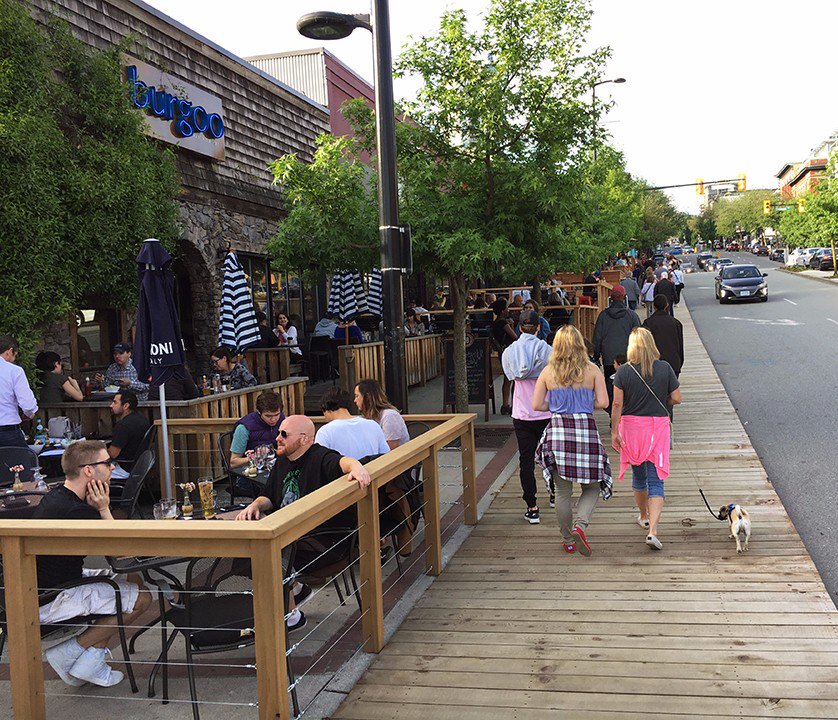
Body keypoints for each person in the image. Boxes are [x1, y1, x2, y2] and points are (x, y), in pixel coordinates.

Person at [236, 415, 372, 630]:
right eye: (278, 433)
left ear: (304, 439)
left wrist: (357, 467)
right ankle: (296, 589)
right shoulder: (282, 460)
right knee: (246, 550)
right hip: (292, 533)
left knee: (269, 553)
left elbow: (343, 462)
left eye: (284, 434)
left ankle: (293, 618)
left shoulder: (319, 457)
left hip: (323, 540)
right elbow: (269, 495)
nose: (277, 438)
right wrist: (256, 505)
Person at [38, 440, 151, 688]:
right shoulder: (76, 512)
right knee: (142, 599)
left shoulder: (59, 496)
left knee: (130, 581)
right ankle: (69, 651)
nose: (112, 467)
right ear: (88, 470)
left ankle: (91, 661)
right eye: (107, 463)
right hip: (52, 598)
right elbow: (121, 552)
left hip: (48, 585)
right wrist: (103, 508)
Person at [533, 326, 611, 555]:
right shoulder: (592, 370)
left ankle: (568, 539)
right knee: (593, 485)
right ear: (580, 344)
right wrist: (583, 404)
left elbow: (536, 404)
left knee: (562, 491)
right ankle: (580, 525)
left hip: (558, 433)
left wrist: (558, 406)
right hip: (585, 432)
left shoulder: (548, 372)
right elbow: (604, 402)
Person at [611, 327, 682, 551]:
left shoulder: (623, 371)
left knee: (639, 475)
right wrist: (663, 401)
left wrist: (614, 431)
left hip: (632, 429)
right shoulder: (664, 368)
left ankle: (643, 516)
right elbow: (677, 398)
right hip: (657, 428)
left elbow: (617, 404)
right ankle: (653, 531)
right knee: (656, 479)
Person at [502, 310, 552, 523]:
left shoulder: (510, 351)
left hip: (522, 412)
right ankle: (554, 493)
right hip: (546, 410)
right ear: (539, 327)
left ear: (519, 327)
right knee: (551, 456)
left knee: (526, 460)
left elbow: (510, 375)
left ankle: (532, 507)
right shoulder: (547, 350)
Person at [591, 285, 641, 415]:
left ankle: (612, 414)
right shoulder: (632, 316)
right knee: (629, 385)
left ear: (611, 298)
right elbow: (639, 336)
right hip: (628, 356)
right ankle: (627, 412)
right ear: (624, 297)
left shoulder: (603, 316)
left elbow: (597, 337)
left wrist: (596, 355)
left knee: (611, 385)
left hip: (609, 358)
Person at [315, 387, 390, 459]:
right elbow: (386, 455)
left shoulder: (325, 432)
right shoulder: (373, 425)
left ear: (326, 408)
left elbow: (318, 461)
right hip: (374, 467)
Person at [0, 334, 38, 448]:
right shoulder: (14, 371)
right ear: (9, 351)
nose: (14, 359)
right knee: (19, 460)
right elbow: (28, 405)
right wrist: (30, 414)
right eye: (15, 355)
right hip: (8, 432)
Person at [230, 391, 285, 468]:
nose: (273, 419)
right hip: (252, 469)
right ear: (259, 412)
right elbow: (233, 462)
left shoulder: (282, 419)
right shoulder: (243, 428)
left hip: (277, 467)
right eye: (268, 416)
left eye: (277, 414)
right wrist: (255, 456)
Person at [354, 379, 410, 449]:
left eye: (357, 396)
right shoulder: (365, 417)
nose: (355, 400)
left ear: (368, 397)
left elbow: (391, 448)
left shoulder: (390, 416)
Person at [107, 390, 150, 479]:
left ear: (126, 406)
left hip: (123, 469)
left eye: (115, 402)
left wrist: (98, 449)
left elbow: (113, 454)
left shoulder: (123, 425)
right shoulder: (142, 419)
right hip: (139, 467)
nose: (111, 405)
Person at [643, 295, 684, 376]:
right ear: (667, 305)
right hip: (673, 362)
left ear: (654, 306)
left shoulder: (648, 323)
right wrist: (679, 363)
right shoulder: (676, 323)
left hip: (654, 364)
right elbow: (680, 346)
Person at [490, 299, 518, 415]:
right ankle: (513, 404)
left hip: (502, 352)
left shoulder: (495, 322)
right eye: (506, 307)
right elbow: (514, 336)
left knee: (507, 379)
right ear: (502, 310)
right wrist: (511, 324)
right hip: (509, 352)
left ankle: (505, 404)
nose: (508, 309)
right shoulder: (503, 323)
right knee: (513, 379)